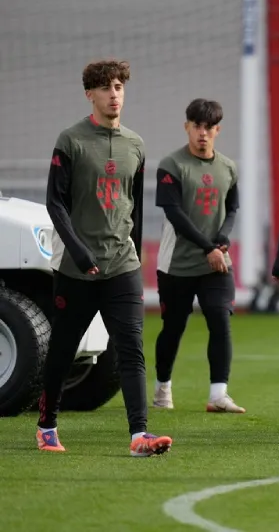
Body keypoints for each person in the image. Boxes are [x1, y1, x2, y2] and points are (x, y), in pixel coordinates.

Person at [37, 59, 172, 457]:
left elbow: (134, 207)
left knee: (131, 349)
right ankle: (47, 426)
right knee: (63, 350)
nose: (114, 94)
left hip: (122, 266)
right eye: (106, 88)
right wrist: (78, 252)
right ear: (90, 95)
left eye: (119, 87)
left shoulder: (136, 144)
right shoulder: (71, 140)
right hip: (77, 269)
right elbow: (54, 203)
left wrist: (133, 250)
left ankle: (139, 435)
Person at [151, 98, 244, 414]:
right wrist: (209, 248)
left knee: (220, 321)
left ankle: (219, 394)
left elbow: (232, 208)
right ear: (186, 127)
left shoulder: (229, 167)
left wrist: (220, 241)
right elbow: (174, 213)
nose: (202, 133)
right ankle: (162, 386)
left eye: (208, 127)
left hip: (216, 263)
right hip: (177, 263)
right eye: (196, 126)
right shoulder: (172, 165)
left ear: (217, 130)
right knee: (173, 327)